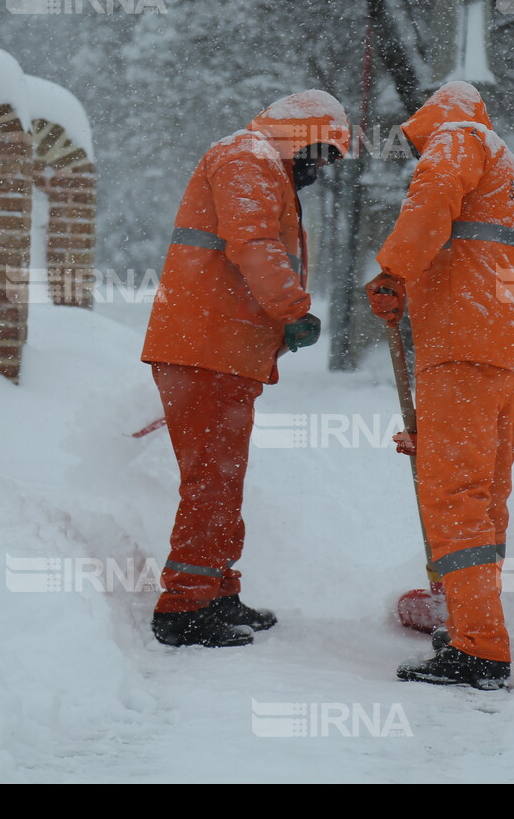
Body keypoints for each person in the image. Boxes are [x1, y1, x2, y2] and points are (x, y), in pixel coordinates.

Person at [142, 90, 350, 647]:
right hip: (202, 348)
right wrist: (293, 310)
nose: (321, 171)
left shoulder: (261, 164)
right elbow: (253, 243)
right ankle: (183, 608)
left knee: (222, 480)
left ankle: (216, 591)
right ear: (299, 137)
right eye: (321, 154)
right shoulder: (247, 156)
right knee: (211, 481)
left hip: (223, 349)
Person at [365, 81, 514, 688]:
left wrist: (394, 271)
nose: (422, 157)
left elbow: (433, 201)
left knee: (453, 494)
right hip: (512, 353)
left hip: (466, 346)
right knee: (484, 497)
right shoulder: (511, 177)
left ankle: (478, 646)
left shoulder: (459, 137)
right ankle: (468, 613)